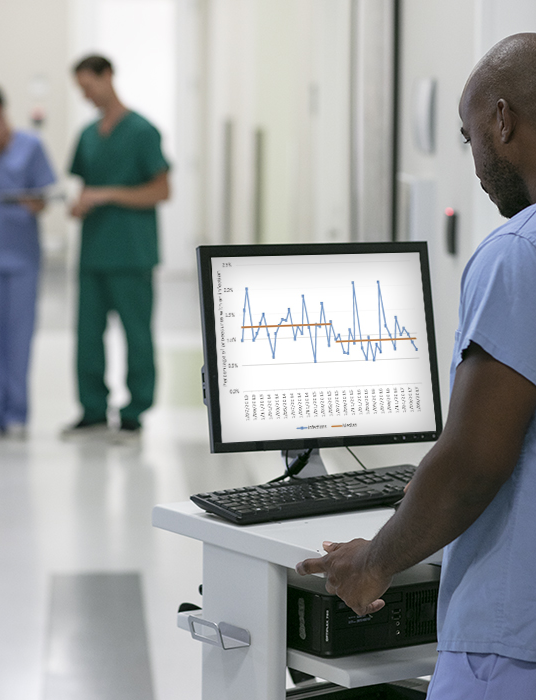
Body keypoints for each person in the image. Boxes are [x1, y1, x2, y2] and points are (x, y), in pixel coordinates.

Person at [297, 33, 536, 698]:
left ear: (502, 120)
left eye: (470, 138)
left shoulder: (519, 253)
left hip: (513, 645)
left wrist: (373, 562)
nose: (478, 164)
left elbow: (472, 462)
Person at [62, 55, 170, 441]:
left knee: (136, 334)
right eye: (80, 89)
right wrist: (78, 205)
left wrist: (108, 194)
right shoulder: (88, 134)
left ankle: (134, 411)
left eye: (88, 86)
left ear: (107, 76)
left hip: (131, 252)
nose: (85, 95)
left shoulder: (143, 132)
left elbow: (162, 189)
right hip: (93, 253)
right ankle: (91, 409)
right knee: (87, 336)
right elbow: (82, 187)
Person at [0, 85, 56, 440]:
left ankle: (17, 411)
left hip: (23, 253)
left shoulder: (31, 145)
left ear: (4, 111)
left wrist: (35, 203)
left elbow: (44, 195)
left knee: (21, 333)